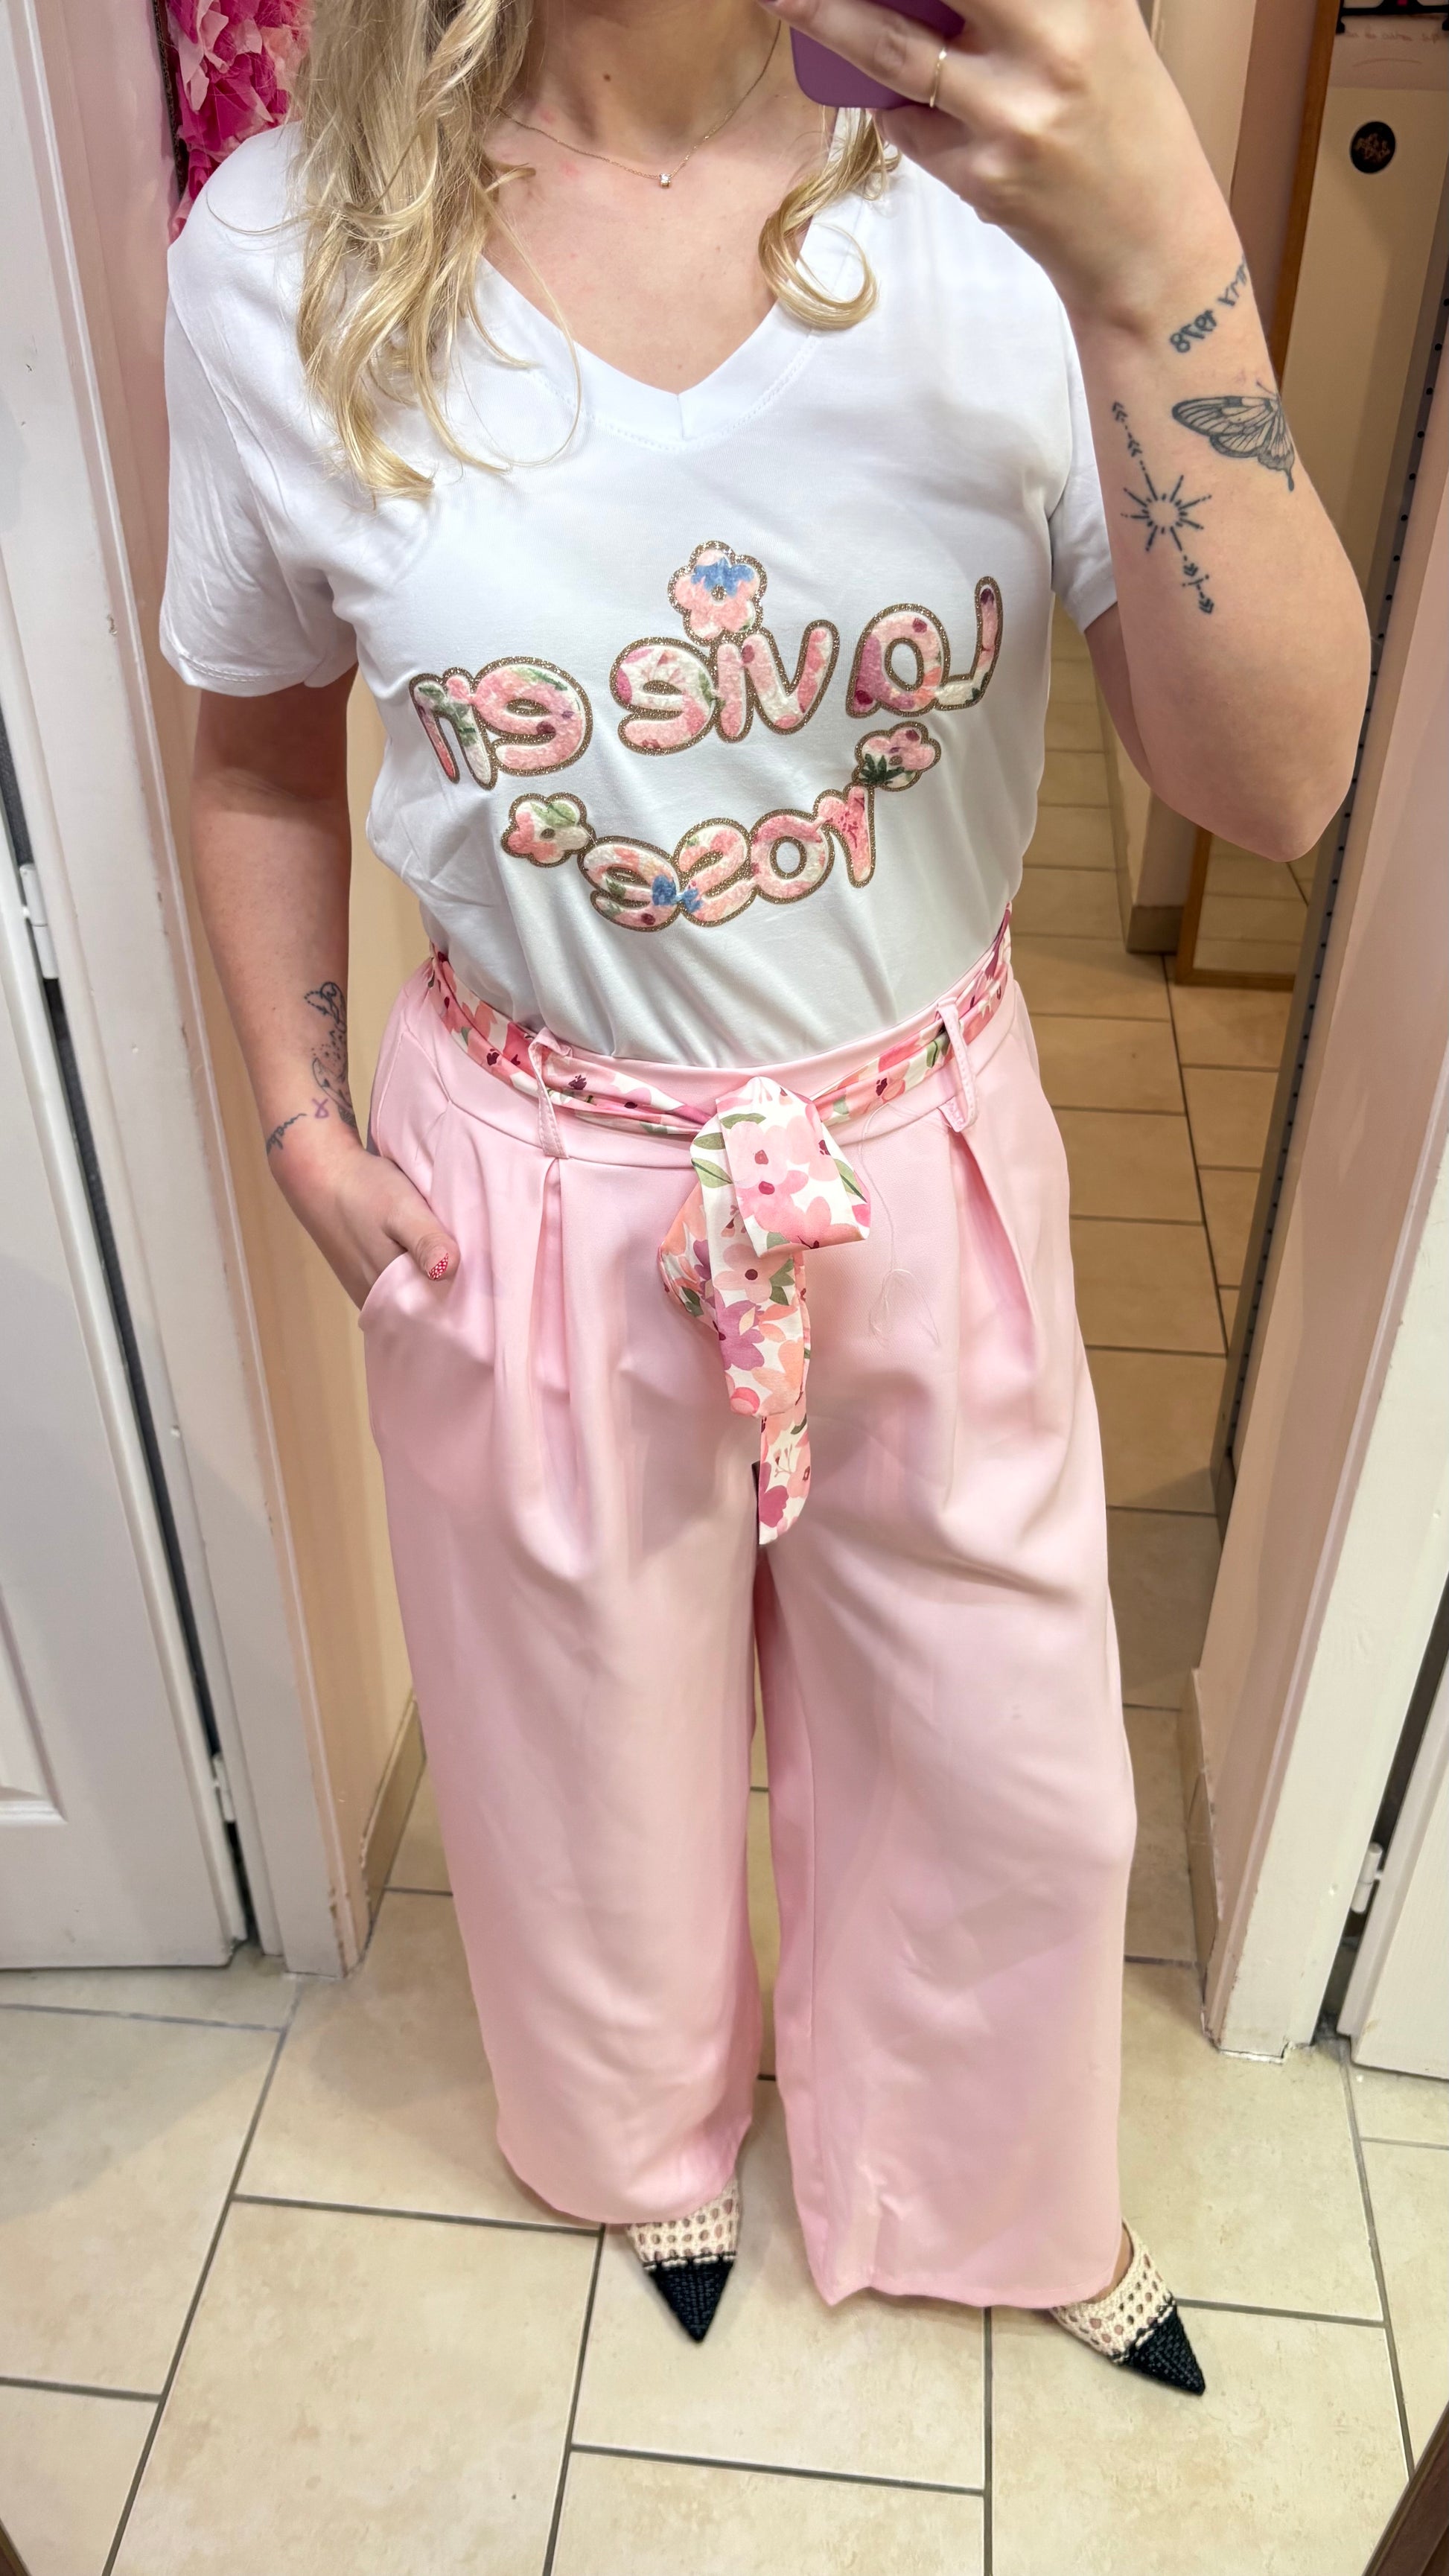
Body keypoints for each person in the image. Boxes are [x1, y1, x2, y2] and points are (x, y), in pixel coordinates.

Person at [161, 0, 1366, 2388]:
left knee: (1006, 1754)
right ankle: (641, 2143)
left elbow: (1274, 785)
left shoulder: (1006, 202)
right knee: (575, 1745)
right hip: (528, 1172)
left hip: (922, 1151)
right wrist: (298, 1112)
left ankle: (990, 2182)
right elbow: (257, 743)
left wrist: (1156, 258)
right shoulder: (283, 247)